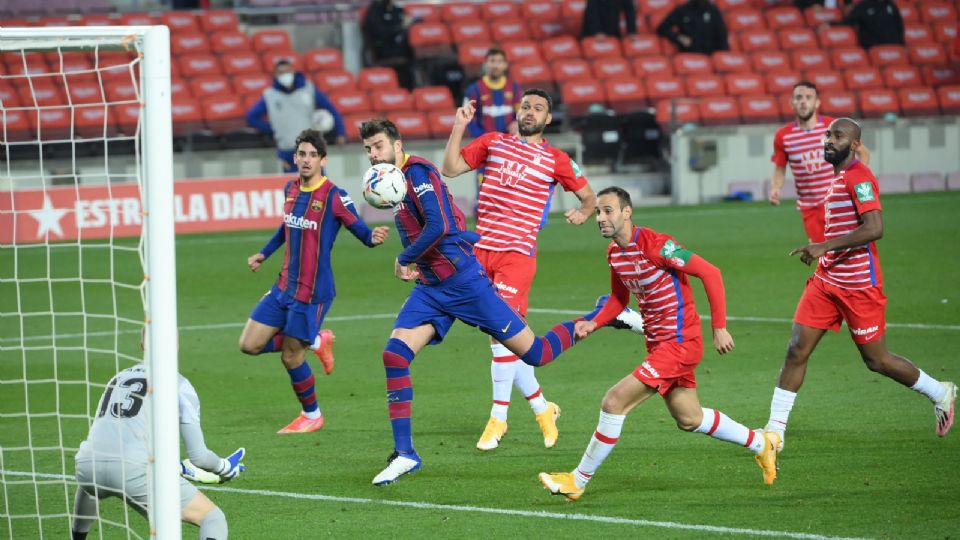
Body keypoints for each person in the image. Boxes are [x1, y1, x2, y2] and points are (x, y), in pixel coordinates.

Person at [360, 118, 587, 486]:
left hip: (466, 284)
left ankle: (599, 317)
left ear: (398, 144)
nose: (374, 155)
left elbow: (439, 226)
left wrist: (405, 259)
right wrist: (419, 263)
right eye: (369, 149)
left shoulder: (418, 172)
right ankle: (405, 455)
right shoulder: (392, 185)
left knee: (537, 353)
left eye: (380, 146)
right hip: (432, 290)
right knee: (395, 355)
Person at [537, 187, 779, 501]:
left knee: (614, 402)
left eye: (608, 210)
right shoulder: (615, 254)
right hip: (659, 345)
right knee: (688, 418)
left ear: (627, 212)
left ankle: (577, 481)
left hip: (680, 344)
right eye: (597, 211)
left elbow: (711, 272)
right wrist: (594, 323)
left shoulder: (658, 246)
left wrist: (719, 328)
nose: (600, 217)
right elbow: (617, 300)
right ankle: (763, 443)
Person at [442, 90, 644, 452]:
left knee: (500, 333)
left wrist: (584, 213)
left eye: (538, 108)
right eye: (525, 106)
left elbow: (588, 196)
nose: (530, 112)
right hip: (480, 251)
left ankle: (498, 418)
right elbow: (451, 168)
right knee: (509, 339)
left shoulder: (556, 159)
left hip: (516, 255)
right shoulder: (493, 142)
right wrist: (459, 127)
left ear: (548, 119)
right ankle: (542, 408)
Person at [762, 118, 957, 454]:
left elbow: (875, 227)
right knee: (797, 349)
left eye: (838, 136)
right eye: (827, 135)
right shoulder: (836, 178)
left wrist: (824, 245)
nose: (828, 140)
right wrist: (824, 254)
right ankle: (774, 432)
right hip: (825, 282)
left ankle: (940, 392)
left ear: (854, 145)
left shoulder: (860, 178)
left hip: (858, 286)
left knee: (877, 360)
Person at [238, 129, 389, 434]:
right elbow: (286, 228)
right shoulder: (290, 190)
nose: (306, 160)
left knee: (291, 356)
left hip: (312, 292)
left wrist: (372, 238)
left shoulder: (335, 196)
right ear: (295, 158)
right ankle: (317, 340)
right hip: (283, 287)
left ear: (323, 160)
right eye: (302, 154)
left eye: (312, 155)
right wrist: (263, 254)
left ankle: (312, 415)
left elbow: (359, 228)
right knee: (249, 345)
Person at [72, 360, 244, 539]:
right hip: (134, 470)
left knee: (91, 484)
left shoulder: (119, 377)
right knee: (212, 518)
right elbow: (199, 457)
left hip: (86, 466)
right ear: (174, 342)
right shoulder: (178, 383)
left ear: (141, 345)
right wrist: (224, 467)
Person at [770, 81, 870, 243]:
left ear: (817, 103)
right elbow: (780, 168)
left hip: (838, 200)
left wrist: (854, 179)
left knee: (847, 250)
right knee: (822, 256)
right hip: (810, 208)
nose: (803, 101)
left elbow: (863, 152)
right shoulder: (783, 135)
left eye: (808, 97)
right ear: (792, 103)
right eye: (799, 97)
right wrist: (775, 188)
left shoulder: (834, 127)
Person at [246, 59, 347, 174]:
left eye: (287, 71)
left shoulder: (308, 89)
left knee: (320, 189)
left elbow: (331, 109)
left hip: (311, 149)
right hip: (288, 151)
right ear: (275, 75)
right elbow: (251, 117)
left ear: (293, 71)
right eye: (281, 72)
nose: (285, 75)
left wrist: (340, 132)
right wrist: (272, 128)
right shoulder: (270, 95)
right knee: (295, 190)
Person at [463, 48, 522, 138]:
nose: (495, 65)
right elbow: (467, 118)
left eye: (499, 61)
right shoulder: (473, 90)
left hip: (510, 140)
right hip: (484, 142)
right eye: (492, 61)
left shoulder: (514, 88)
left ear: (505, 65)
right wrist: (482, 137)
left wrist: (517, 123)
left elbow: (522, 112)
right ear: (485, 64)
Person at [361, 0, 416, 89]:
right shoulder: (374, 11)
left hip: (405, 53)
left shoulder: (398, 10)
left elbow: (409, 22)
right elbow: (379, 33)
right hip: (384, 52)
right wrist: (400, 27)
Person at [655, 0, 729, 55]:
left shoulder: (713, 10)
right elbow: (662, 29)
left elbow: (722, 35)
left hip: (710, 55)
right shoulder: (682, 10)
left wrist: (721, 56)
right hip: (689, 53)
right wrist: (678, 37)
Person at [832, 0, 904, 50]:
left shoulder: (891, 5)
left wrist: (902, 43)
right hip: (873, 48)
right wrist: (830, 24)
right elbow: (848, 21)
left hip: (895, 47)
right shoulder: (863, 6)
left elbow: (899, 26)